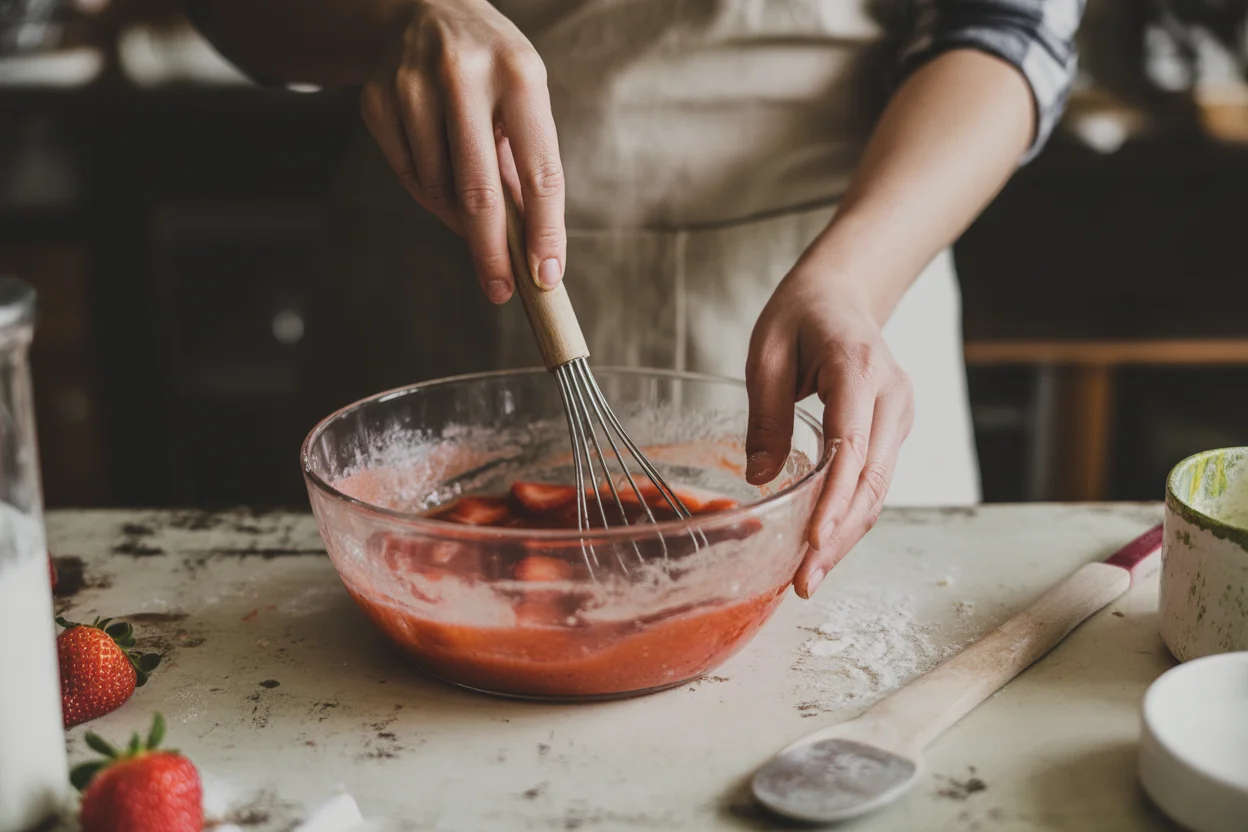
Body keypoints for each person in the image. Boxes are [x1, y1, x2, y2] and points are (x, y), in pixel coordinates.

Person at [187, 0, 1082, 597]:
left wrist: (852, 276)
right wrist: (389, 17)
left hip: (839, 273)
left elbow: (1005, 28)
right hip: (447, 277)